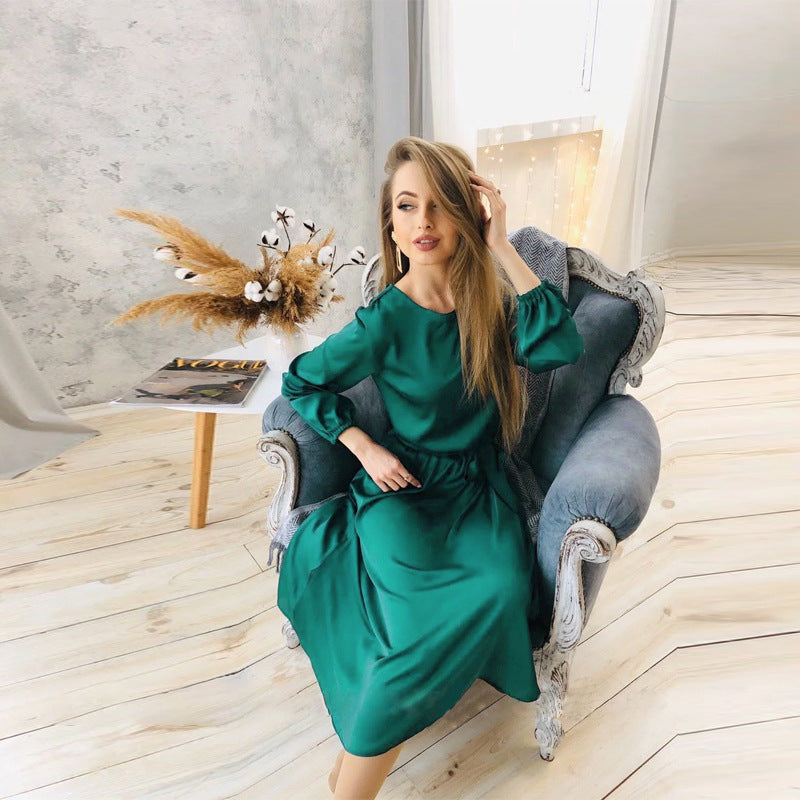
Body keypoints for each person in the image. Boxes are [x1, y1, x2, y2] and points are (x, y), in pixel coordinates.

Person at [277, 136, 584, 799]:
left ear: (469, 214)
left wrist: (502, 244)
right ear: (390, 225)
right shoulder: (383, 321)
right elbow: (301, 381)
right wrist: (364, 446)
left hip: (478, 493)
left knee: (496, 591)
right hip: (402, 492)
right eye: (407, 207)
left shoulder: (493, 305)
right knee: (412, 628)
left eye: (441, 204)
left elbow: (560, 344)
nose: (424, 222)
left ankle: (349, 767)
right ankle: (354, 786)